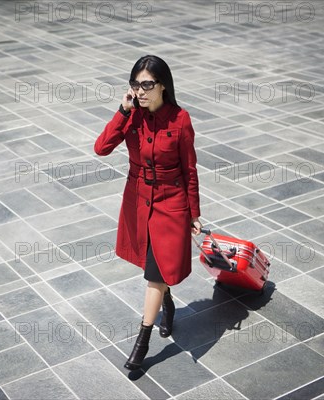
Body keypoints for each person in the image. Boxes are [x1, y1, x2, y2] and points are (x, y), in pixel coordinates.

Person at [94, 55, 202, 370]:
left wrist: (194, 213)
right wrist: (121, 110)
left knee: (155, 274)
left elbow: (190, 169)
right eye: (135, 85)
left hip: (171, 204)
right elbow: (101, 148)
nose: (140, 91)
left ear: (162, 86)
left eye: (147, 85)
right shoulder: (131, 116)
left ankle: (142, 342)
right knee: (155, 267)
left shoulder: (181, 119)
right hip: (139, 201)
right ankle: (167, 303)